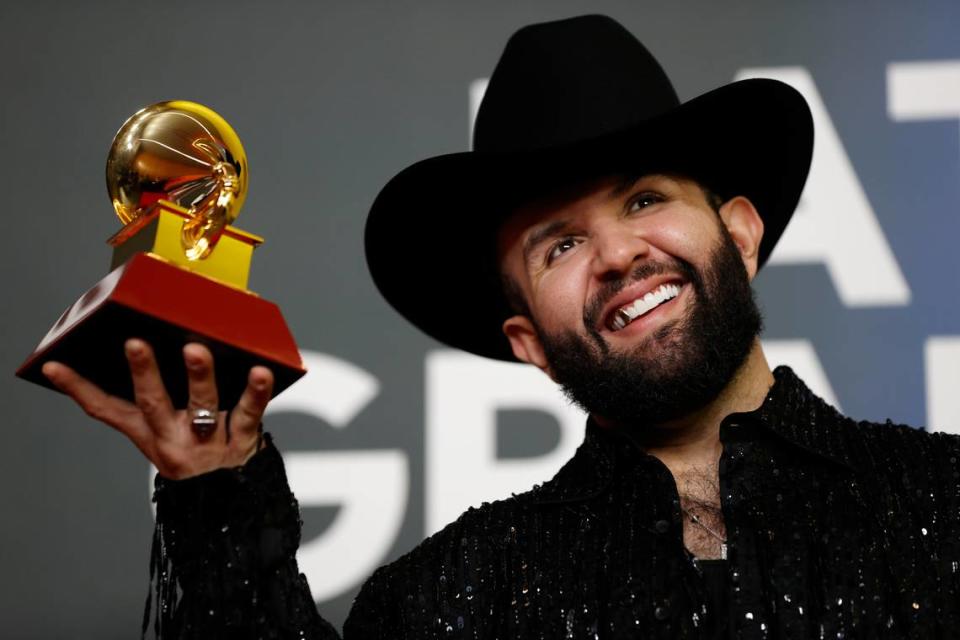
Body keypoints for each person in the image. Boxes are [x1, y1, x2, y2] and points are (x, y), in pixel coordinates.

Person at [41, 14, 960, 640]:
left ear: (741, 234)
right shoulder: (444, 597)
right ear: (526, 339)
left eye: (645, 198)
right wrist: (215, 500)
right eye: (560, 246)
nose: (617, 255)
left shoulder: (946, 502)